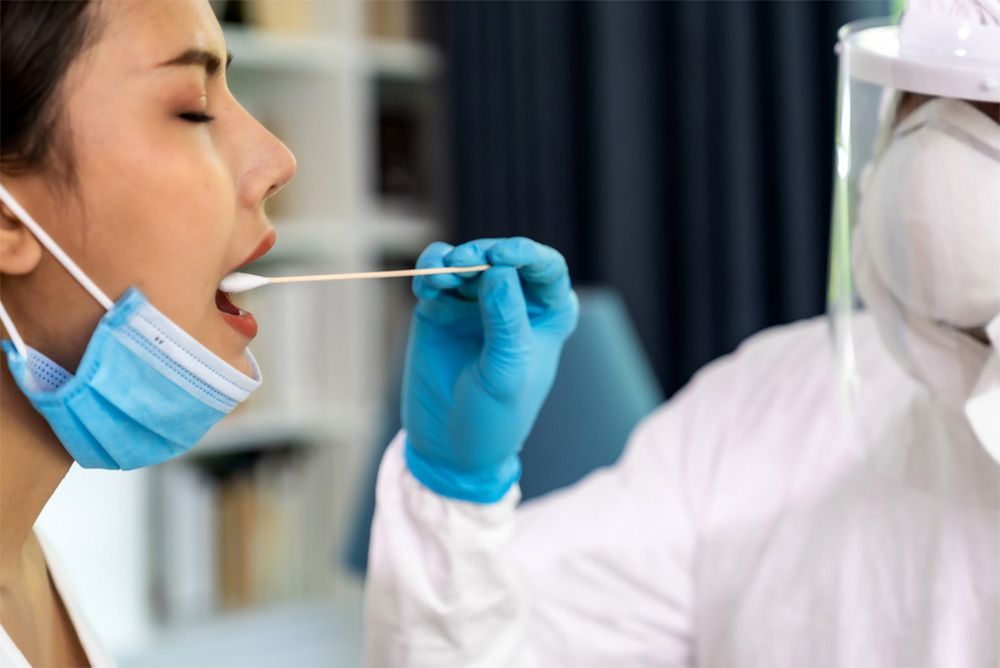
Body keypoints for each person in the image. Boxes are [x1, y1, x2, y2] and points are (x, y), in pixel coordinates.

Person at [365, 2, 1000, 666]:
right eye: (929, 100)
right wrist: (453, 499)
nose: (941, 165)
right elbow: (501, 645)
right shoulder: (765, 406)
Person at [0, 1, 296, 664]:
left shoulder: (26, 557)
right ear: (7, 222)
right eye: (193, 109)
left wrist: (454, 495)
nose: (278, 160)